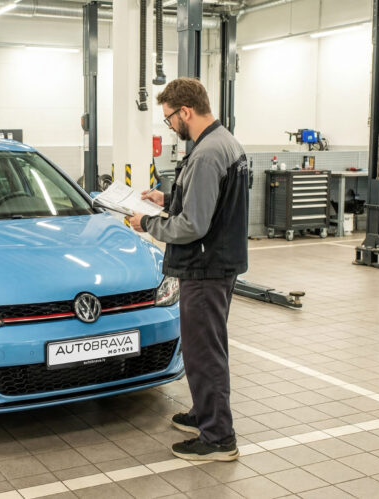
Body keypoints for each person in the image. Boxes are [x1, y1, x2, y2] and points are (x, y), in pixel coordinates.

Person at [126, 77, 248, 461]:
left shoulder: (207, 153)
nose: (170, 126)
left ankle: (218, 438)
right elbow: (209, 200)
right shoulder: (224, 142)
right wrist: (166, 199)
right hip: (219, 262)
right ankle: (204, 414)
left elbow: (193, 225)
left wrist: (148, 223)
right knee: (203, 348)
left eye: (169, 119)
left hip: (205, 267)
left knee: (204, 352)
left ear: (186, 111)